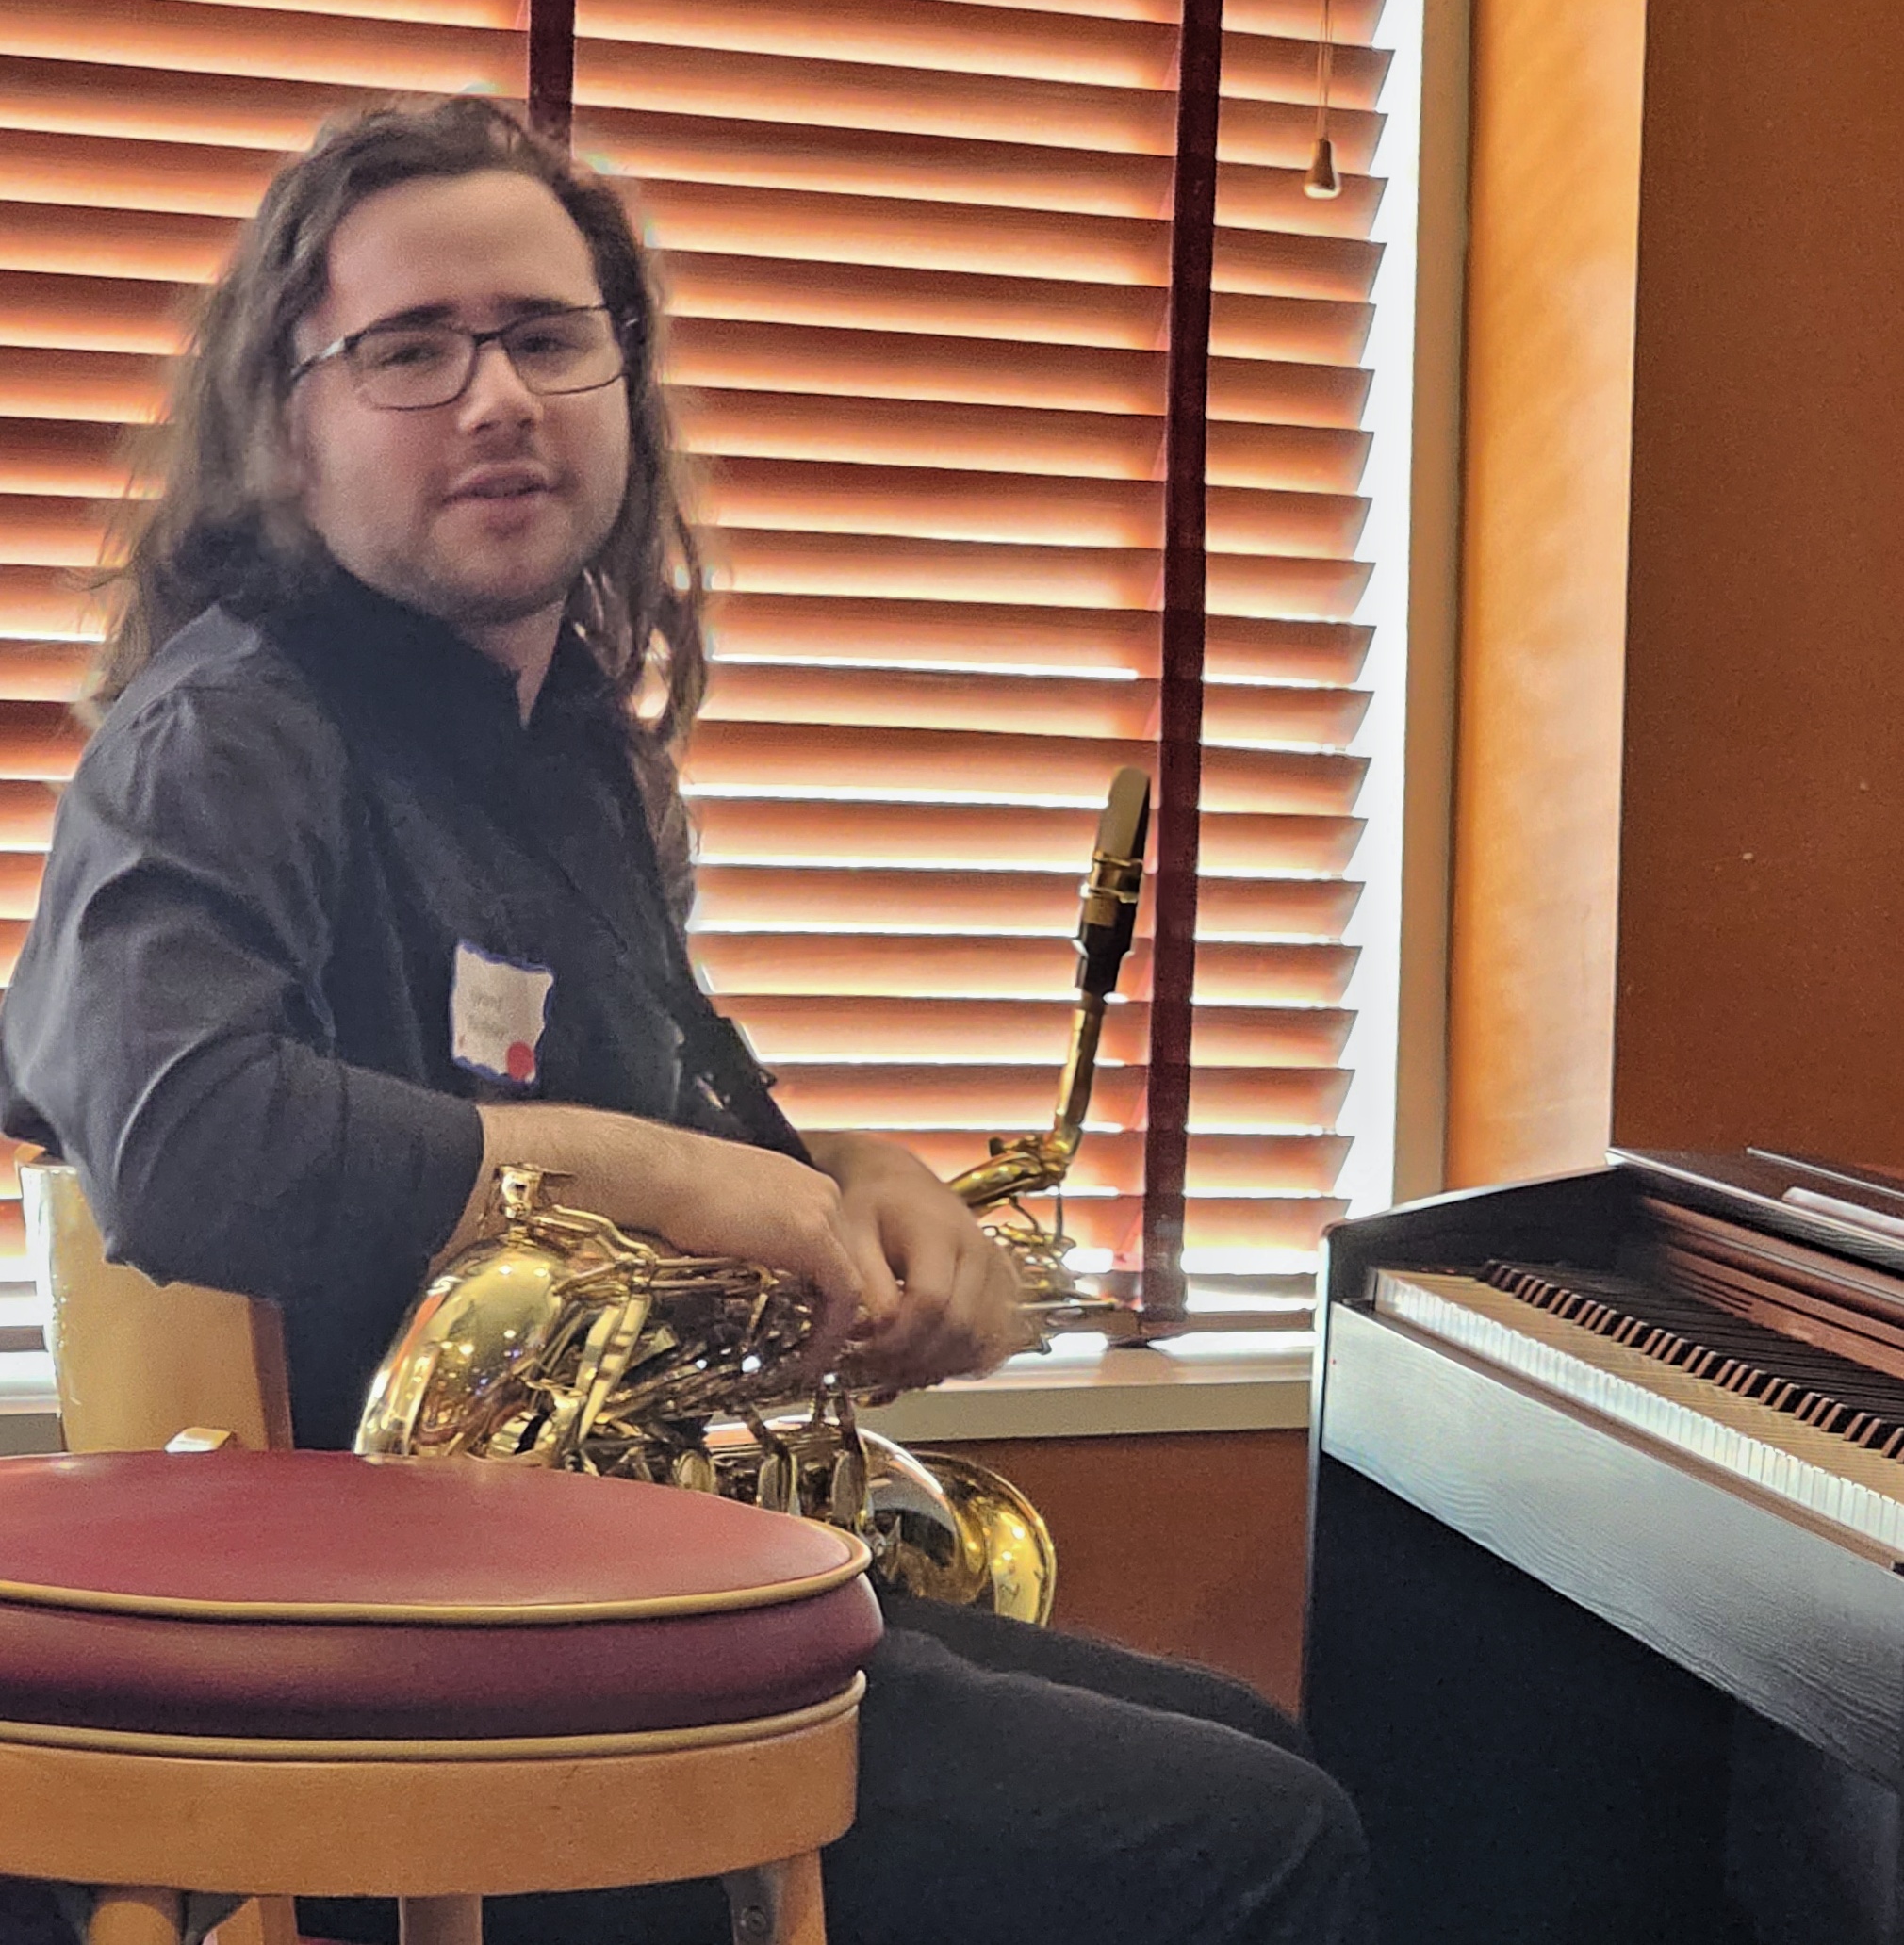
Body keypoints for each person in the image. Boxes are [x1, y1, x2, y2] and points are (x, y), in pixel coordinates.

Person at [0, 96, 1374, 1945]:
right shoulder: (226, 725)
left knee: (1256, 1751)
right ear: (287, 425)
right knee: (1261, 1837)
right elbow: (175, 1139)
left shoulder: (572, 755)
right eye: (410, 349)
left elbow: (667, 1168)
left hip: (585, 1599)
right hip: (396, 1698)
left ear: (622, 389)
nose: (495, 394)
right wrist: (629, 1158)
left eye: (547, 336)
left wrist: (851, 1192)